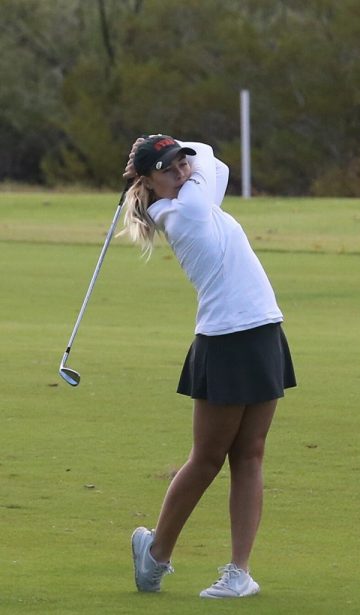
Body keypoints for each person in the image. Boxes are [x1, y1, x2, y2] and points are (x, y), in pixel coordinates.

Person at [120, 134, 296, 598]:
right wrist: (174, 149)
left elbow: (212, 163)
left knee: (250, 455)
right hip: (224, 340)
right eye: (168, 168)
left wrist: (164, 147)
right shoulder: (181, 211)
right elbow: (210, 159)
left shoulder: (193, 195)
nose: (181, 170)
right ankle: (156, 556)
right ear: (150, 182)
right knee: (207, 459)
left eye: (180, 163)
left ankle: (240, 573)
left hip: (262, 327)